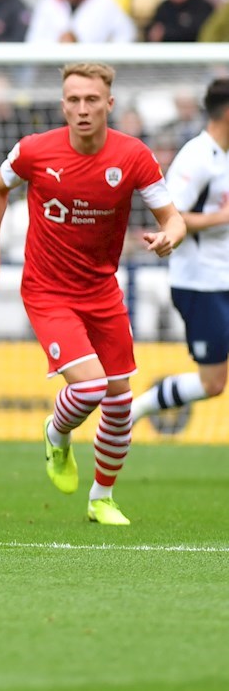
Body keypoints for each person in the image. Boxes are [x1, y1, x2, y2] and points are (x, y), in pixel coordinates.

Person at [0, 62, 186, 526]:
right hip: (48, 291)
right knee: (89, 386)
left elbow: (174, 217)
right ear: (62, 104)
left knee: (120, 399)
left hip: (102, 290)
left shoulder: (133, 156)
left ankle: (101, 498)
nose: (83, 109)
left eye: (92, 100)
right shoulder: (34, 151)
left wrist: (172, 234)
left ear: (109, 104)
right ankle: (55, 432)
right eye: (74, 100)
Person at [130, 79, 229, 430]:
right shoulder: (197, 156)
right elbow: (172, 216)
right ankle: (136, 409)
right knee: (213, 383)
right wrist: (222, 218)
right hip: (201, 283)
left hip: (224, 278)